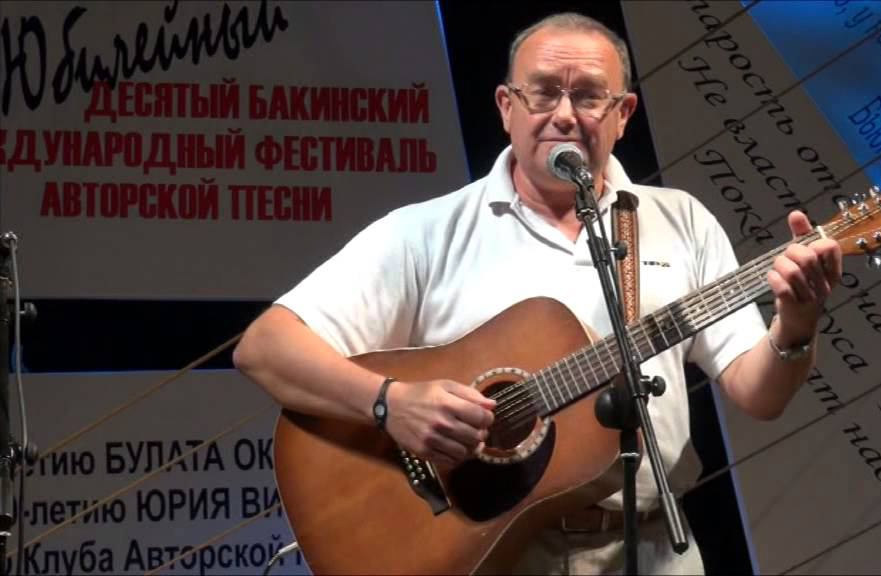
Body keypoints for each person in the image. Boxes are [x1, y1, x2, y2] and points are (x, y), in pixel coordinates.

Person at [233, 11, 842, 575]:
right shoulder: (426, 232)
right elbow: (265, 348)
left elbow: (758, 394)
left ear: (624, 113)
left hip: (654, 551)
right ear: (506, 106)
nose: (565, 115)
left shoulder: (681, 220)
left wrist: (797, 322)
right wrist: (392, 404)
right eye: (544, 92)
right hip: (495, 555)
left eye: (589, 96)